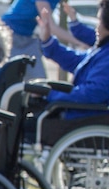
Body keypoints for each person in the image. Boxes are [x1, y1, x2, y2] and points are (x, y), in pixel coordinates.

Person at [32, 2, 109, 143]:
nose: (96, 27)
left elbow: (92, 93)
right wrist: (48, 41)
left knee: (23, 125)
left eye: (99, 21)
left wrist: (51, 95)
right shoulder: (103, 51)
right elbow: (76, 61)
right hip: (82, 117)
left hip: (83, 121)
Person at [0, 0, 60, 81]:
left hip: (28, 38)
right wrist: (79, 40)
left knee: (39, 81)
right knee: (6, 78)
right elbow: (52, 28)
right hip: (9, 34)